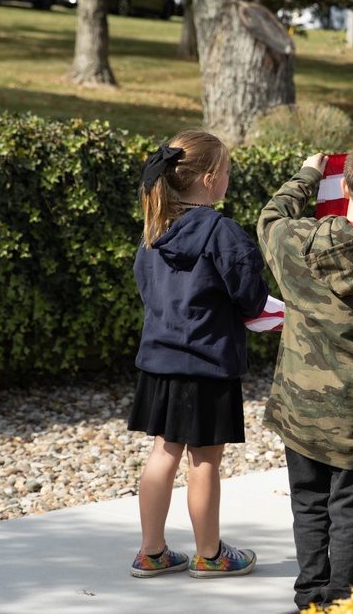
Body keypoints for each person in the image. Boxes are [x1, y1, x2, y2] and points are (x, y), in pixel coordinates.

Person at [257, 140, 353, 611]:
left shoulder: (295, 240)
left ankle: (310, 593)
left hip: (298, 405)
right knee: (350, 509)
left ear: (342, 186)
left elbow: (268, 217)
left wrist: (307, 174)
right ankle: (345, 596)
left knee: (307, 502)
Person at [128, 130, 269, 578]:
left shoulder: (155, 228)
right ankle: (210, 555)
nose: (228, 179)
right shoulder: (223, 233)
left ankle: (152, 552)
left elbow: (146, 287)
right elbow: (251, 298)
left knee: (163, 453)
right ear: (209, 179)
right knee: (204, 460)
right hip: (207, 363)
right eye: (226, 172)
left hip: (159, 362)